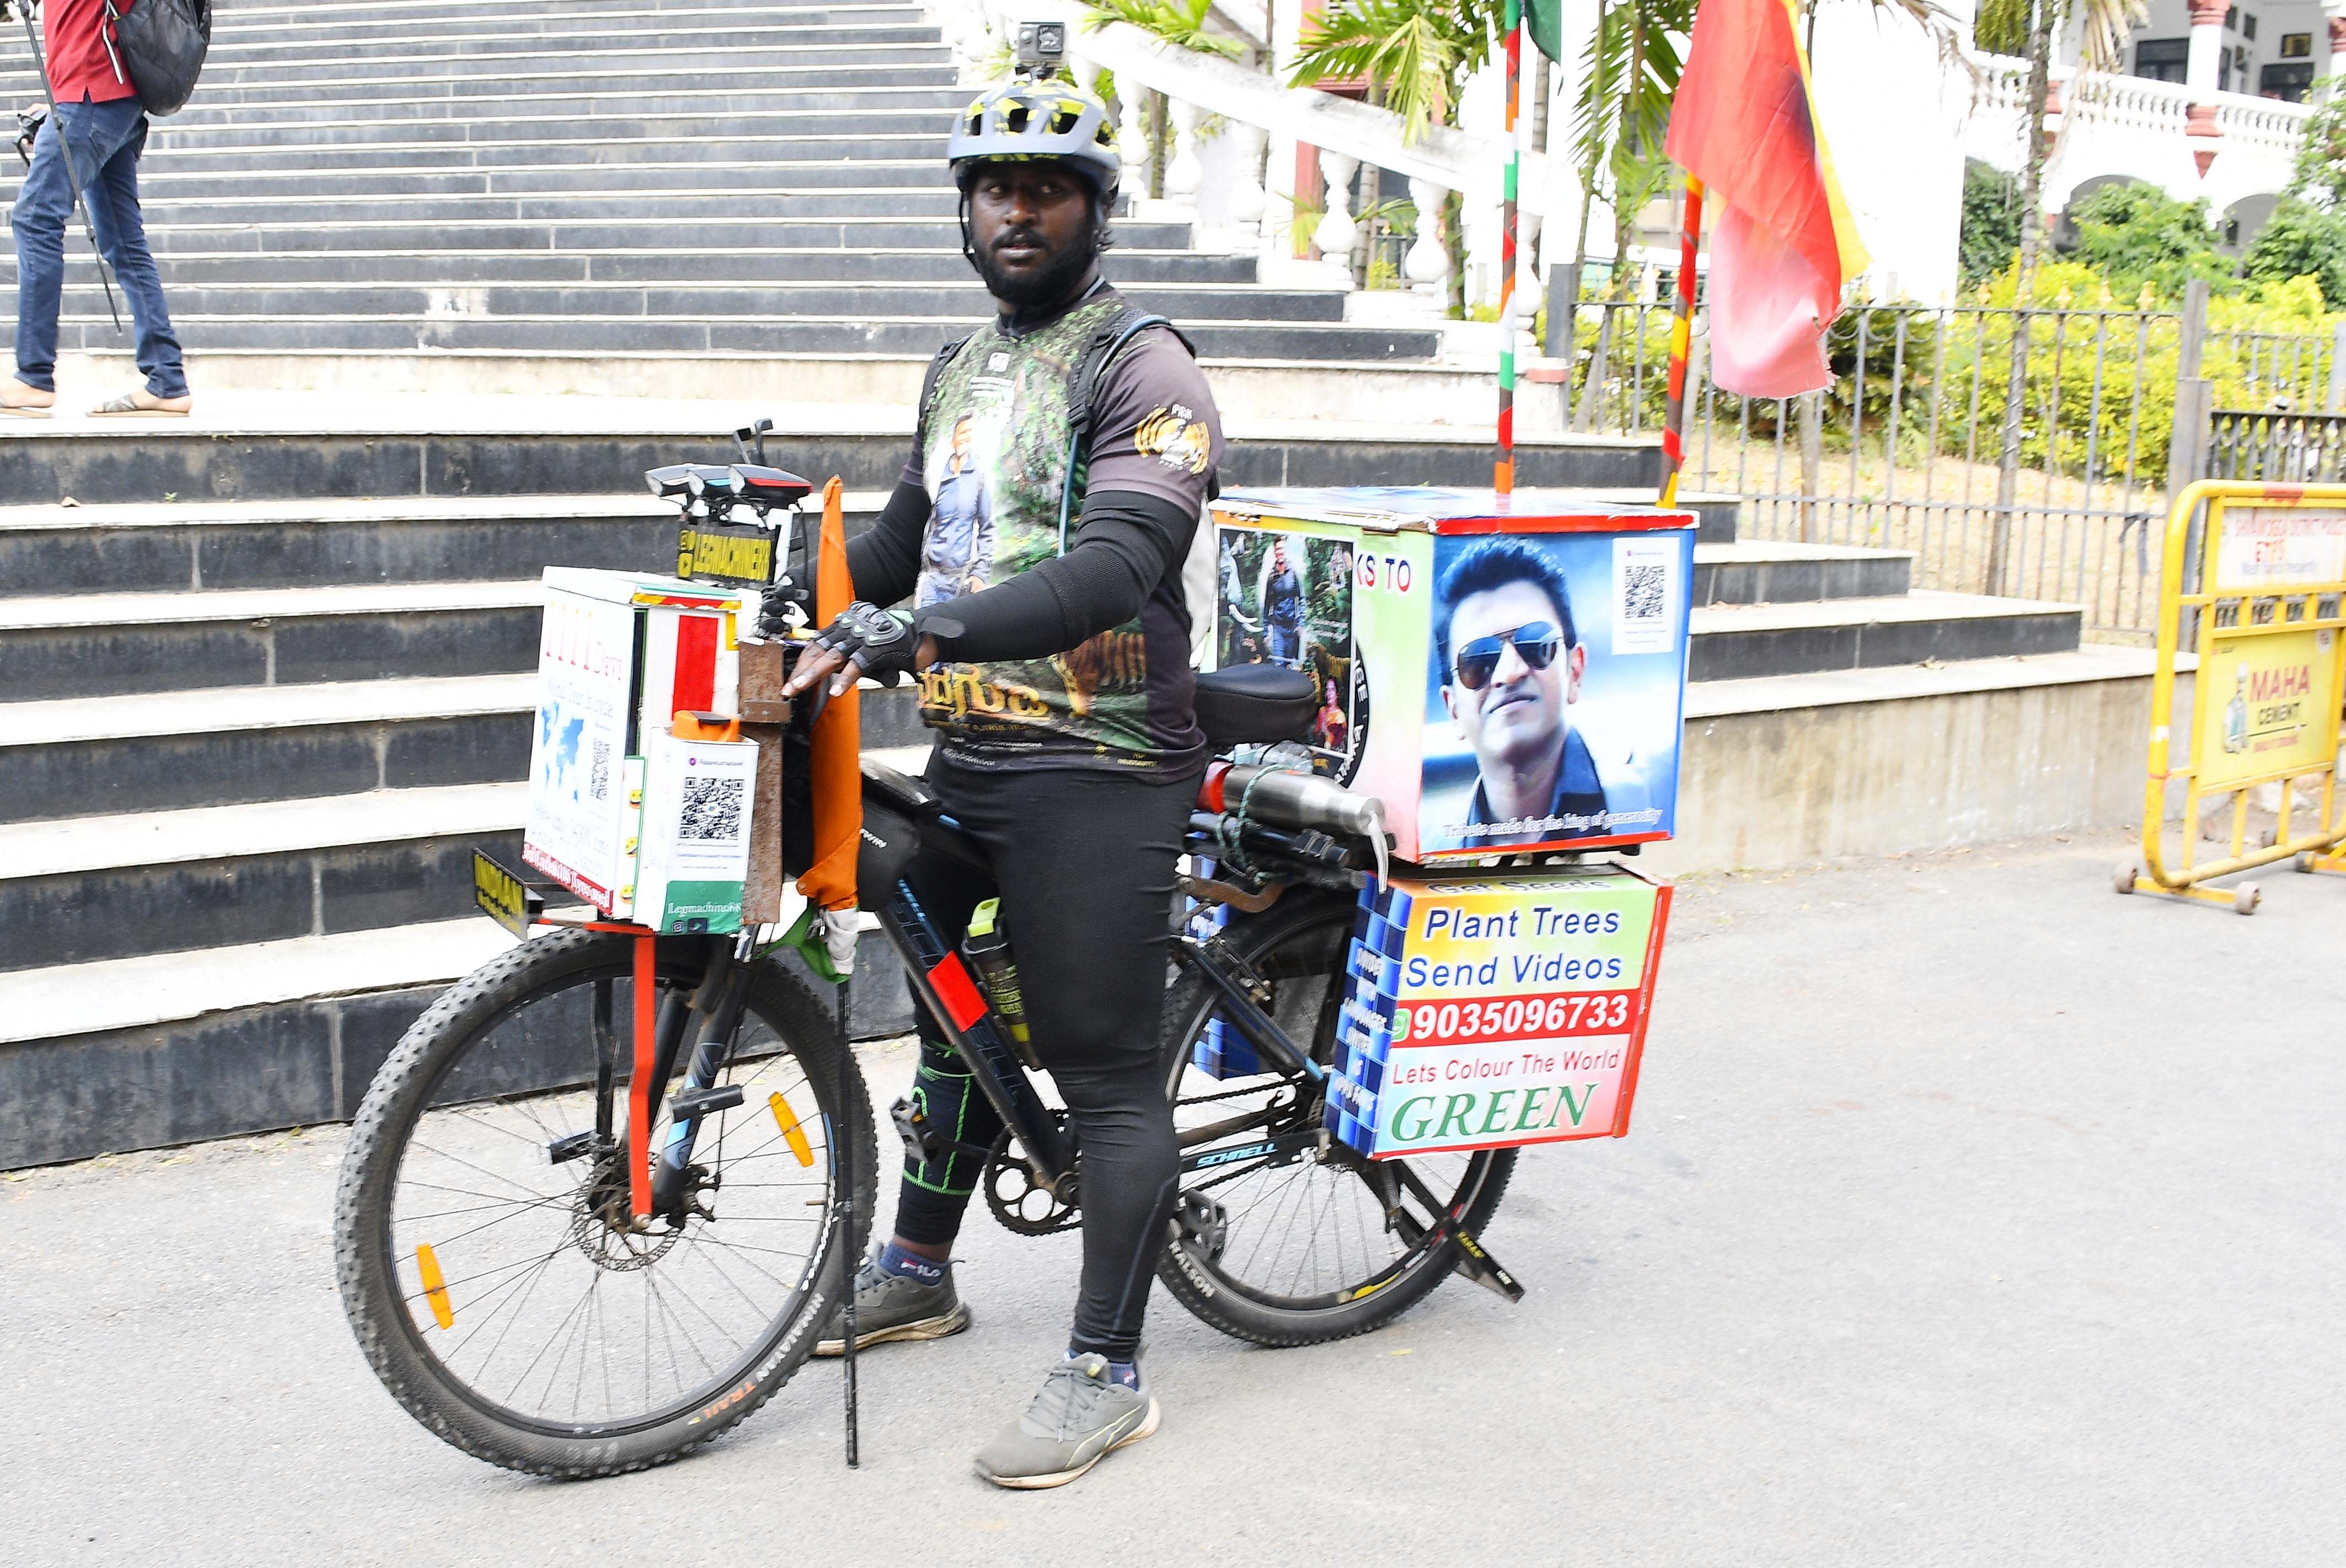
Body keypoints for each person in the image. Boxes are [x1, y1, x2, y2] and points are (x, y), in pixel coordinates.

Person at [779, 69, 1223, 1490]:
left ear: (1097, 208)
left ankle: (1106, 1368)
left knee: (1098, 1068)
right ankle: (919, 1265)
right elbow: (904, 548)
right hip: (971, 747)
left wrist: (927, 626)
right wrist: (781, 574)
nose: (1014, 209)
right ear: (962, 213)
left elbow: (1114, 567)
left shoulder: (1144, 365)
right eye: (991, 188)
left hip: (1097, 761)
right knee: (944, 999)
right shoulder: (958, 372)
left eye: (1044, 187)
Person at [2, 0, 191, 418]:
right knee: (123, 240)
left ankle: (32, 376)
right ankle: (167, 379)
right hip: (105, 96)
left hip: (91, 96)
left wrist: (70, 102)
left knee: (35, 219)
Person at [1434, 538, 1623, 845]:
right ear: (1453, 709)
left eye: (1535, 644)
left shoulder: (1641, 802)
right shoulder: (1433, 847)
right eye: (1478, 659)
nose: (1509, 673)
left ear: (1575, 671)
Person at [1257, 536, 1306, 666]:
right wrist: (1266, 633)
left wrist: (1301, 624)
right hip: (1278, 628)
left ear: (1286, 550)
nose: (1280, 552)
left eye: (1282, 549)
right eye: (1277, 549)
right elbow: (1267, 607)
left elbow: (1302, 599)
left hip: (1293, 627)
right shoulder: (1272, 577)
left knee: (1290, 665)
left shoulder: (1294, 573)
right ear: (1275, 552)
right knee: (1278, 665)